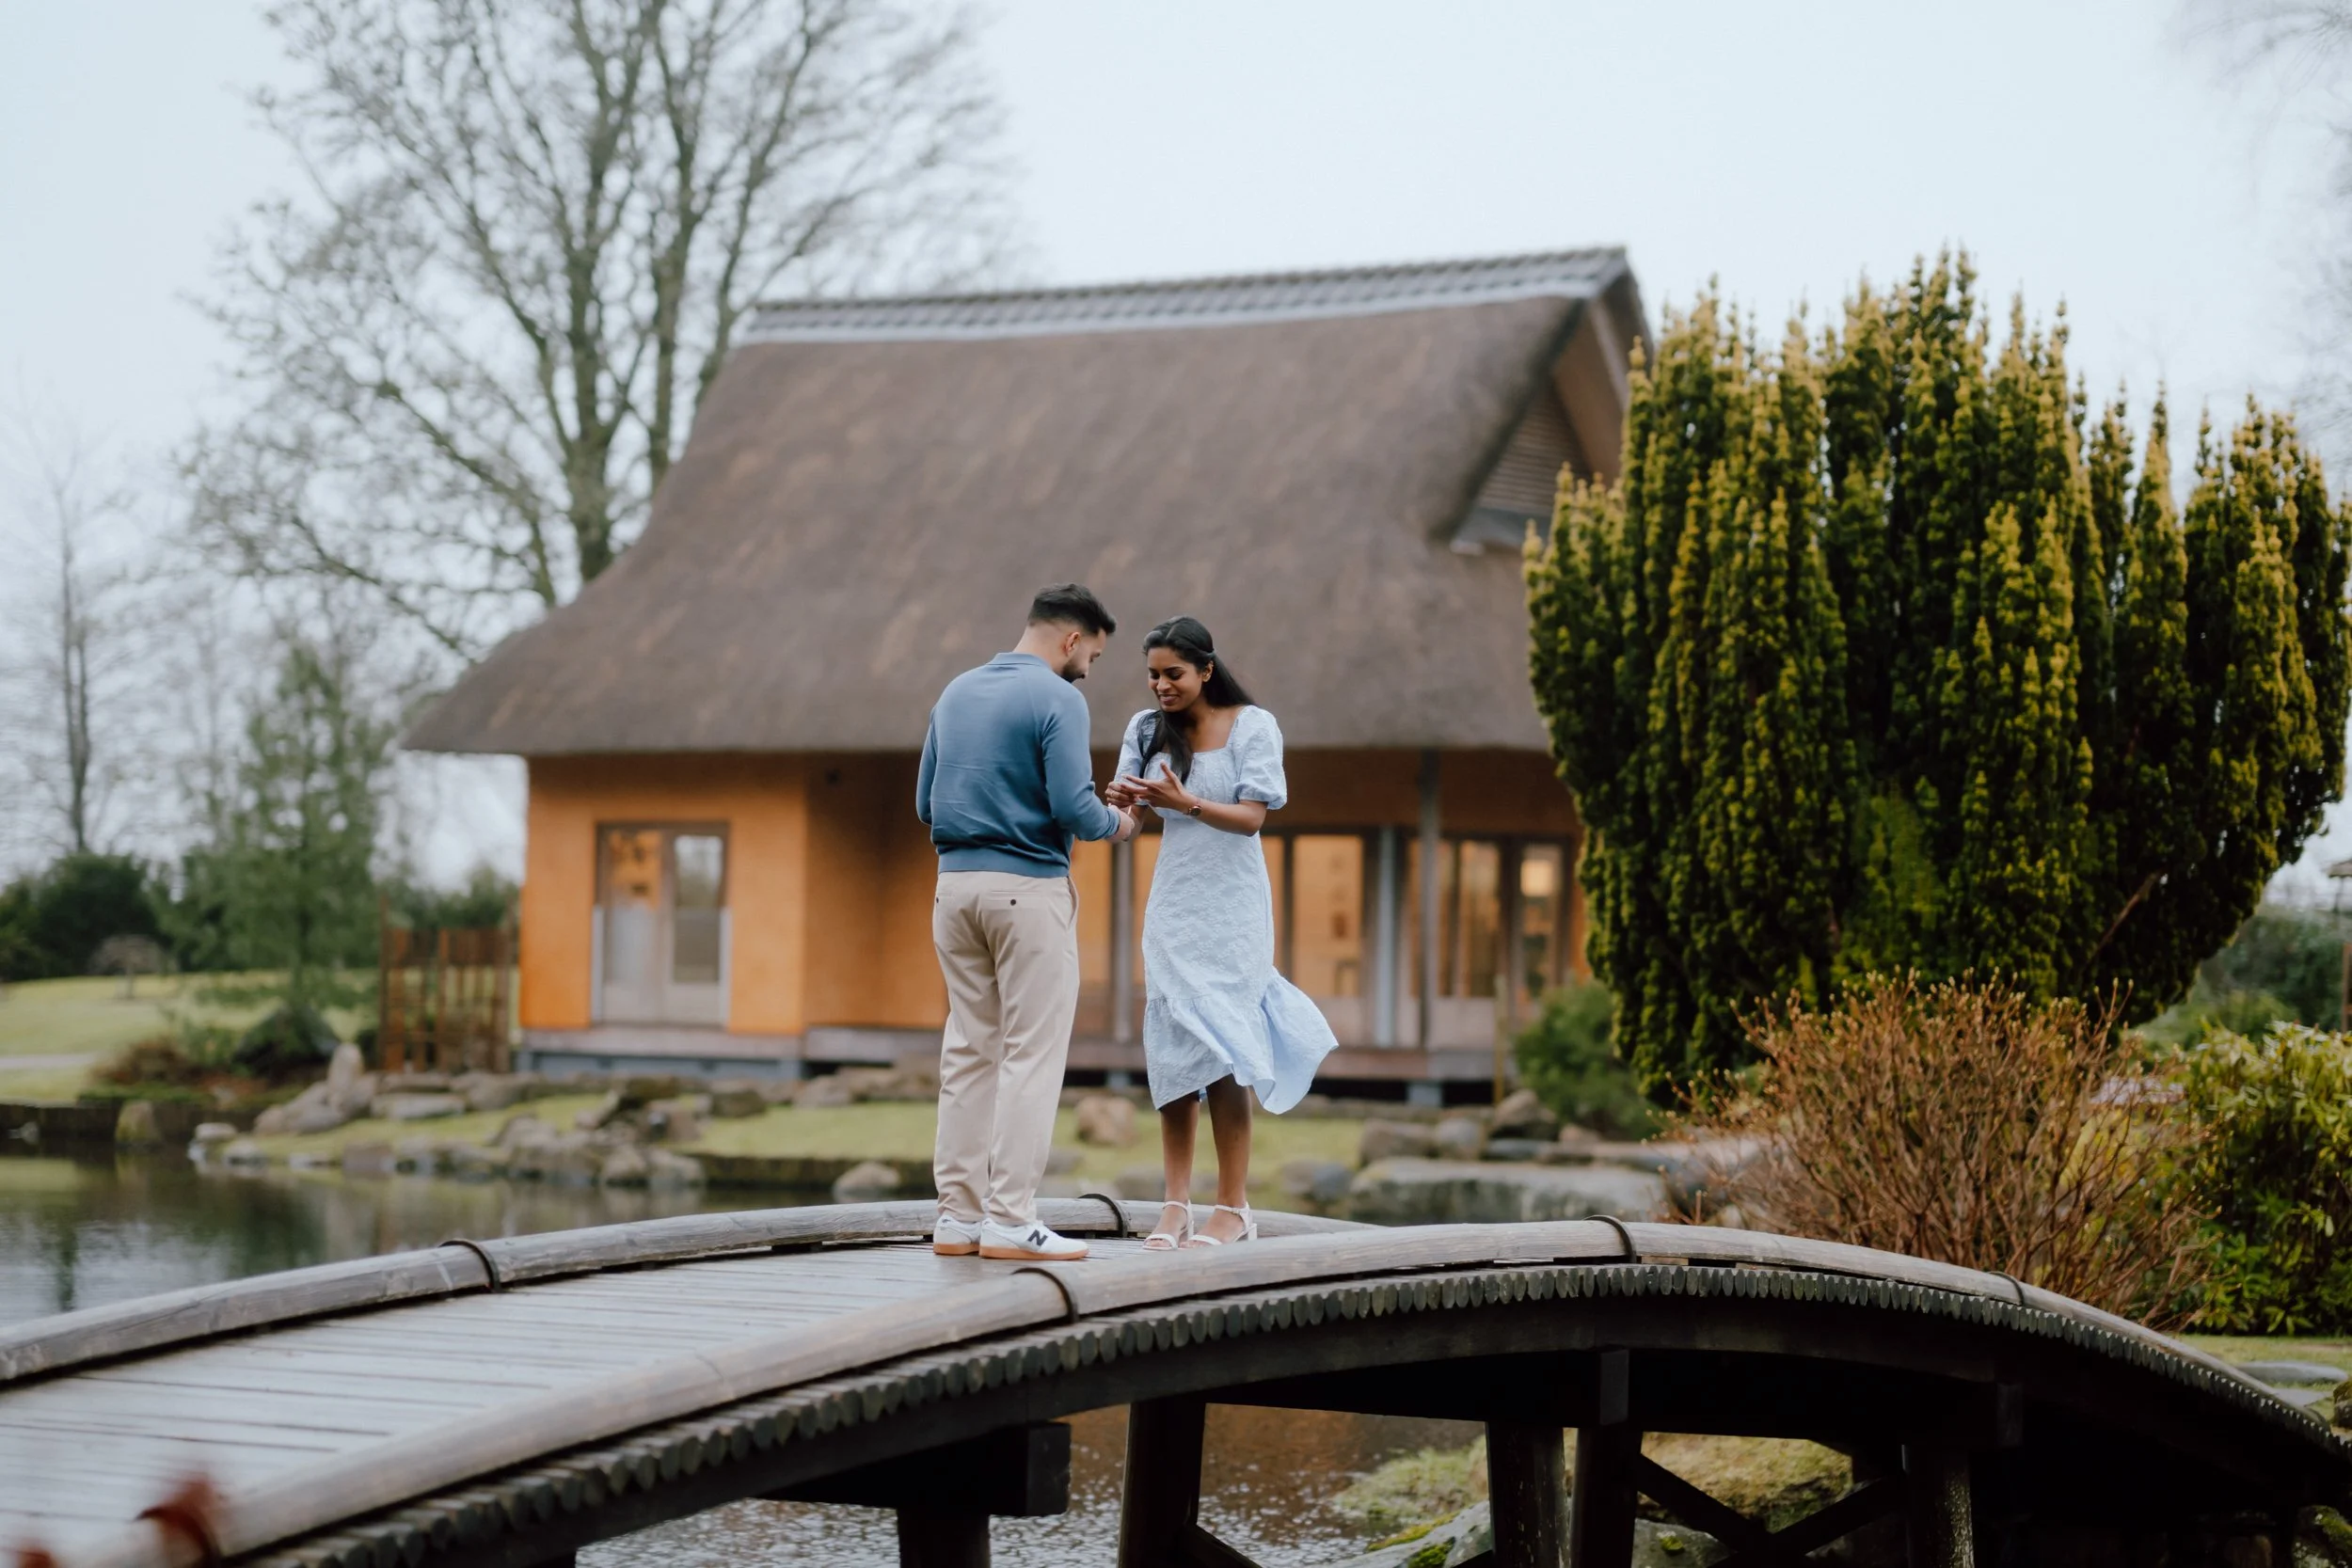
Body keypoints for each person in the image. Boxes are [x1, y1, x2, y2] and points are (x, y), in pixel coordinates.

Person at [919, 584, 1141, 1262]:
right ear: (1071, 639)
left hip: (953, 890)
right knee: (1030, 1058)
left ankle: (957, 1219)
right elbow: (1074, 806)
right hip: (1027, 892)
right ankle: (1011, 1218)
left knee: (968, 1052)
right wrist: (1120, 823)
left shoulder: (955, 691)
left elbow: (925, 803)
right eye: (1092, 656)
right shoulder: (1058, 699)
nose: (1088, 671)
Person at [1105, 616, 1337, 1248]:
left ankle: (1233, 1207)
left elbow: (1252, 817)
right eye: (1153, 675)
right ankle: (1174, 1205)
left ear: (1206, 670)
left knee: (1228, 1050)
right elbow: (1129, 821)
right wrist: (1118, 806)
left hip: (1232, 907)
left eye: (1173, 674)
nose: (1161, 686)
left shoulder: (1252, 726)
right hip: (1174, 904)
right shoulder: (1144, 730)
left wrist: (1185, 804)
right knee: (1173, 1050)